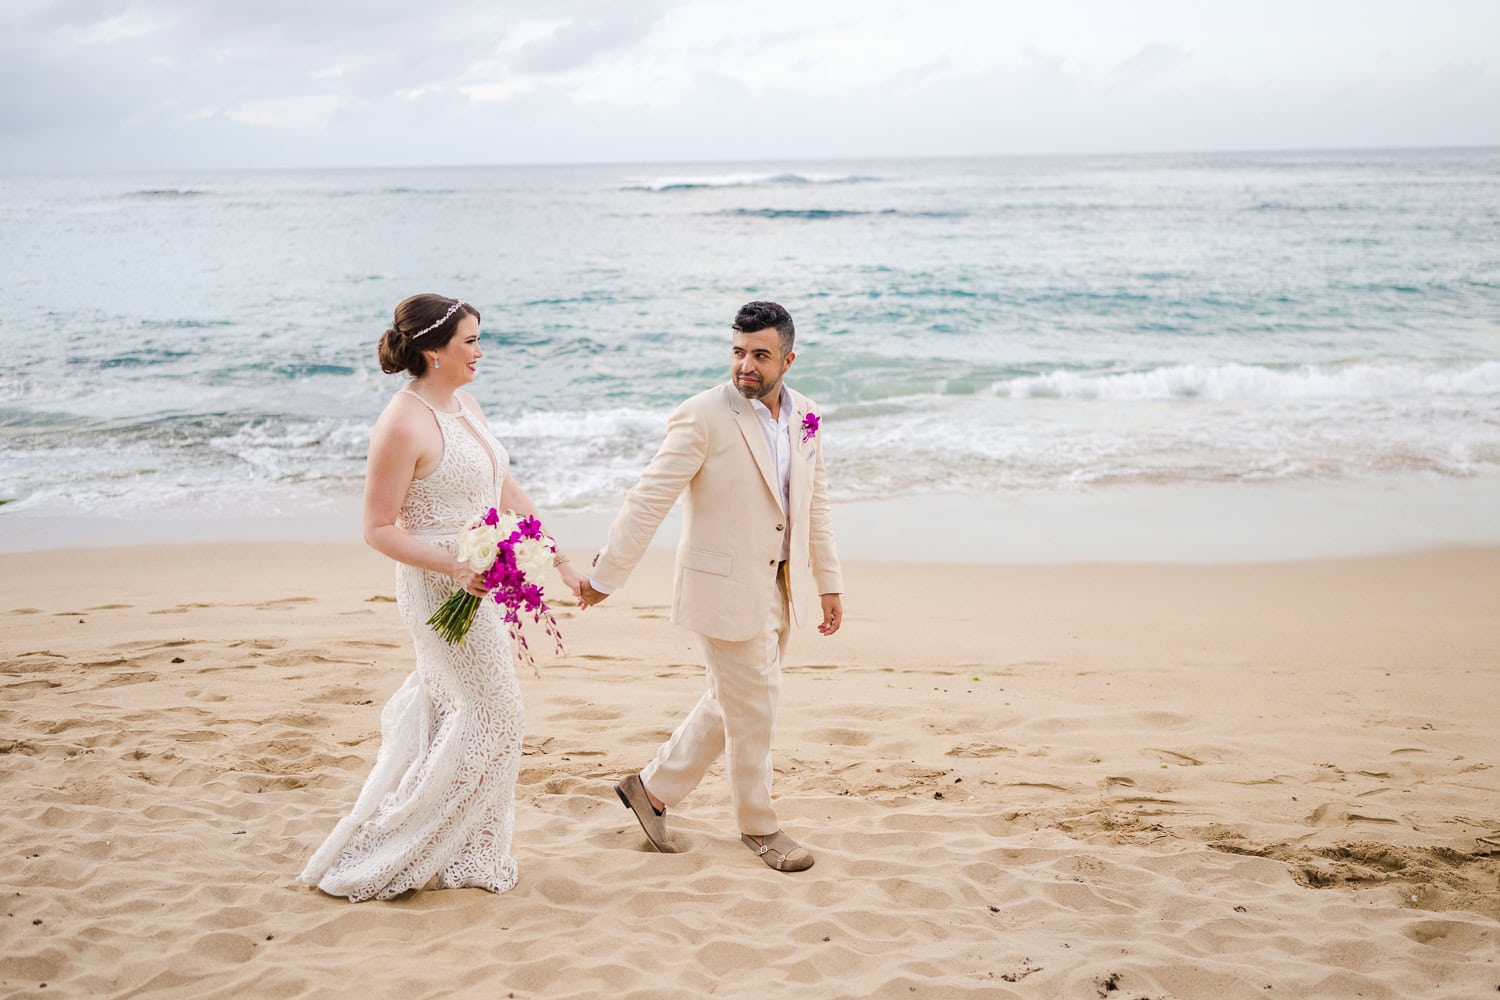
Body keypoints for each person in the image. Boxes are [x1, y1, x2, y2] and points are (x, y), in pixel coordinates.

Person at [298, 293, 586, 901]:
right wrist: (454, 566)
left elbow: (501, 485)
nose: (482, 352)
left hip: (476, 580)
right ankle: (391, 848)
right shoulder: (400, 423)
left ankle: (467, 850)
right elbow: (378, 528)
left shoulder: (465, 405)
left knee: (459, 710)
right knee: (495, 713)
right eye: (471, 341)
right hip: (438, 586)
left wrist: (551, 552)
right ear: (433, 351)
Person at [579, 300, 844, 873]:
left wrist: (827, 581)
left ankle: (650, 790)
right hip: (722, 590)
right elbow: (649, 497)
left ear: (788, 360)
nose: (745, 366)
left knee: (732, 702)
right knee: (757, 708)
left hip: (782, 586)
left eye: (760, 355)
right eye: (738, 352)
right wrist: (606, 575)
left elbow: (813, 503)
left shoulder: (808, 416)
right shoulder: (701, 415)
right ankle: (760, 827)